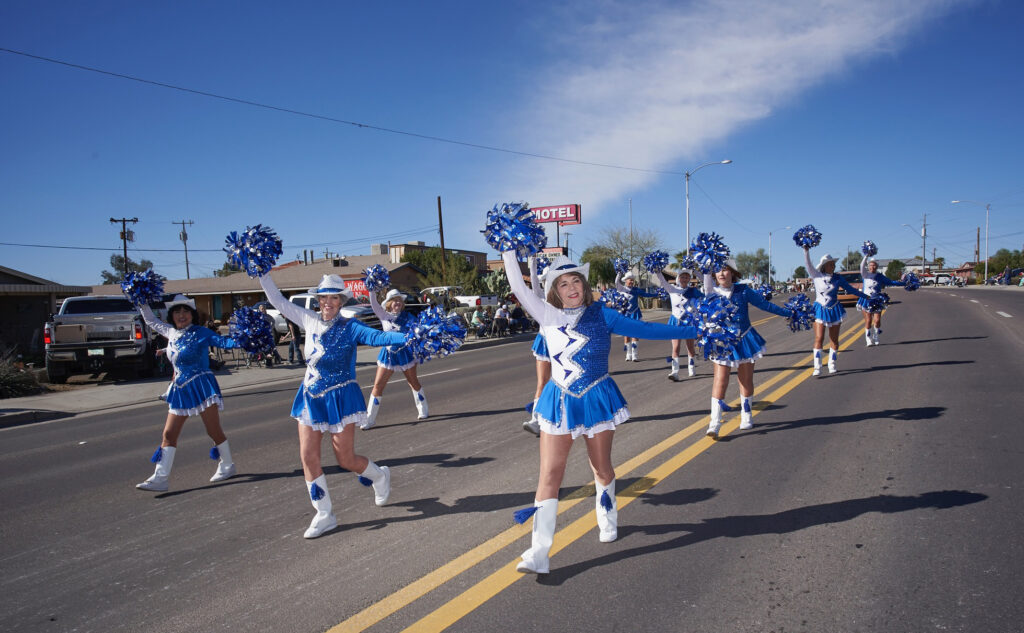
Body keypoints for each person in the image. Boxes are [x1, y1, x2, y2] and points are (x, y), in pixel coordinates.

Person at [503, 251, 700, 574]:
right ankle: (539, 552)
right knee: (550, 474)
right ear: (554, 290)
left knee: (601, 467)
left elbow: (649, 331)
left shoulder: (604, 315)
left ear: (584, 284)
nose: (571, 288)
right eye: (563, 283)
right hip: (560, 400)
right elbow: (520, 287)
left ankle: (607, 516)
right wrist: (508, 251)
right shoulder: (547, 315)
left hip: (596, 397)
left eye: (576, 281)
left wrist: (696, 332)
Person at [259, 273, 407, 538]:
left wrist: (411, 337)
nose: (328, 302)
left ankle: (379, 476)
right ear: (318, 300)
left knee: (345, 459)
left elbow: (377, 337)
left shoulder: (350, 327)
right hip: (310, 397)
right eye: (324, 297)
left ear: (341, 300)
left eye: (334, 297)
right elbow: (277, 301)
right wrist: (262, 273)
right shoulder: (308, 319)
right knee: (308, 456)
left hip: (340, 397)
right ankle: (324, 513)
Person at [135, 295, 241, 491]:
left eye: (185, 312)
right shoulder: (171, 332)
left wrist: (247, 338)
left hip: (201, 385)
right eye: (177, 312)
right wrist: (141, 301)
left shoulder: (202, 332)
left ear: (192, 314)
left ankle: (227, 465)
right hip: (180, 389)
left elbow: (225, 343)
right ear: (172, 315)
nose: (181, 315)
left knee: (213, 430)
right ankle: (160, 478)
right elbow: (150, 320)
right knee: (168, 433)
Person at [702, 260, 795, 438]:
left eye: (725, 270)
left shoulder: (743, 291)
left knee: (745, 380)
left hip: (744, 339)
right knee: (720, 381)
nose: (721, 274)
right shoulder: (711, 292)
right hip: (722, 342)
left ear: (733, 273)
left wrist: (789, 313)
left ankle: (746, 414)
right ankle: (714, 423)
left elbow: (765, 305)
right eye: (717, 271)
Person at [364, 289, 428, 428]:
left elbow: (418, 331)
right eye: (394, 300)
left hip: (405, 354)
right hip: (388, 355)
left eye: (400, 300)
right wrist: (372, 290)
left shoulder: (408, 317)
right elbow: (373, 303)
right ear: (388, 303)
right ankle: (369, 419)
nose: (398, 302)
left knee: (413, 382)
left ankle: (423, 409)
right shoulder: (383, 315)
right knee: (378, 385)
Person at [803, 248, 870, 375]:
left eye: (833, 264)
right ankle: (817, 367)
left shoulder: (838, 278)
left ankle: (832, 363)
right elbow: (808, 264)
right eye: (830, 264)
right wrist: (805, 250)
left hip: (834, 309)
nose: (833, 266)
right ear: (824, 266)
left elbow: (850, 289)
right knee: (819, 337)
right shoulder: (816, 275)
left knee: (834, 339)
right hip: (819, 309)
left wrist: (864, 296)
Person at [653, 267, 704, 380]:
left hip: (688, 321)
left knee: (690, 347)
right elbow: (662, 281)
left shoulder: (693, 291)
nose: (684, 278)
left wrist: (696, 271)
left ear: (689, 279)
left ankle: (692, 368)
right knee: (675, 347)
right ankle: (674, 372)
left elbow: (704, 297)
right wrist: (657, 271)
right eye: (682, 276)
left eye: (687, 277)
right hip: (675, 321)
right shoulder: (672, 289)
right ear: (678, 278)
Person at [522, 256, 551, 436]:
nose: (548, 284)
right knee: (542, 382)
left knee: (565, 383)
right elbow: (533, 283)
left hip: (564, 344)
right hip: (545, 342)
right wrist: (532, 262)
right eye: (546, 281)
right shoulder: (542, 298)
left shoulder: (566, 299)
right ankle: (536, 420)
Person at [857, 256, 905, 346]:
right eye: (871, 265)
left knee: (877, 320)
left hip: (877, 300)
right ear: (868, 266)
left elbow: (891, 282)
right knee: (868, 321)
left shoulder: (880, 276)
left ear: (877, 266)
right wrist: (866, 255)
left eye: (874, 265)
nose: (872, 267)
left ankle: (876, 336)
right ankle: (868, 339)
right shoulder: (865, 274)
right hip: (866, 300)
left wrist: (904, 283)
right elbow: (861, 265)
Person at [615, 270, 660, 361]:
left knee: (635, 333)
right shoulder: (621, 289)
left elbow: (646, 294)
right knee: (626, 334)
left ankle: (635, 355)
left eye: (632, 280)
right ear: (625, 280)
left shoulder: (636, 290)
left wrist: (657, 294)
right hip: (625, 314)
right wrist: (619, 273)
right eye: (629, 280)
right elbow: (616, 282)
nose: (631, 281)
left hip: (635, 313)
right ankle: (628, 354)